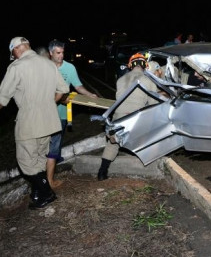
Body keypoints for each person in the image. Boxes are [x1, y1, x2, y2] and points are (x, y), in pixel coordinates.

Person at [0, 37, 69, 209]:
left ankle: (47, 193)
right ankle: (37, 195)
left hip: (29, 121)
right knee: (39, 159)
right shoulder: (48, 64)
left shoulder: (16, 67)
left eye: (13, 54)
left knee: (26, 163)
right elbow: (63, 89)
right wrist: (48, 104)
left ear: (16, 49)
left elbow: (2, 99)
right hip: (49, 120)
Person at [97, 54, 160, 181]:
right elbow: (154, 104)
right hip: (135, 119)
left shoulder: (120, 80)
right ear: (145, 66)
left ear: (130, 65)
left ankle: (102, 173)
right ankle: (150, 166)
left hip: (118, 118)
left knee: (112, 144)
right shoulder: (149, 81)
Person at [47, 39, 98, 188]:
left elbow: (78, 86)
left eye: (63, 52)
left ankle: (50, 170)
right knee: (51, 146)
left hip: (61, 114)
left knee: (56, 143)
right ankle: (49, 181)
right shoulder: (44, 67)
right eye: (58, 53)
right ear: (50, 53)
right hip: (45, 114)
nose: (61, 56)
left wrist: (90, 95)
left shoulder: (69, 68)